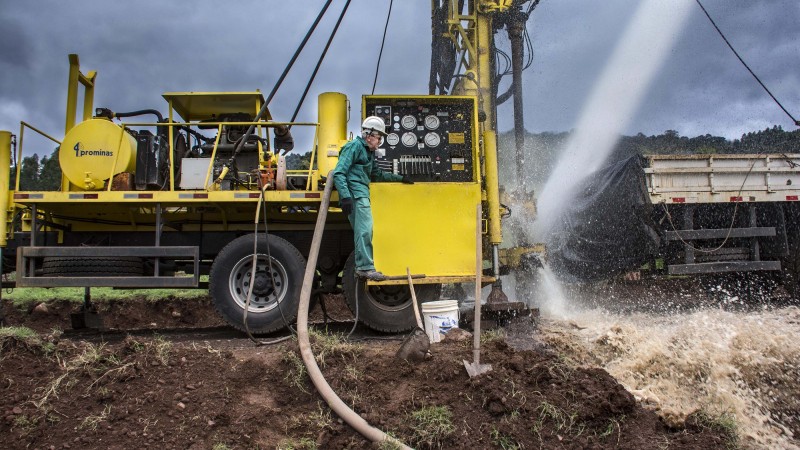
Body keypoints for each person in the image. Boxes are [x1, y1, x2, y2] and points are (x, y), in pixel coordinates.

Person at [333, 116, 413, 281]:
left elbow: (377, 174)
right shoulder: (354, 147)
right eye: (379, 137)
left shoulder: (368, 153)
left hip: (361, 194)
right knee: (364, 230)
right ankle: (365, 268)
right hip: (355, 195)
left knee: (366, 230)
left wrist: (401, 179)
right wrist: (346, 197)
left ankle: (364, 267)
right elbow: (339, 172)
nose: (380, 141)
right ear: (369, 135)